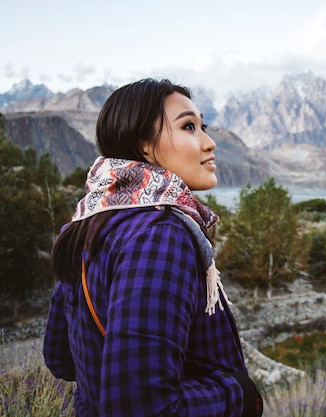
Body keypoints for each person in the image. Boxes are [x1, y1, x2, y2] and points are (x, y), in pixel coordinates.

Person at [43, 78, 263, 417]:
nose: (209, 142)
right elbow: (143, 408)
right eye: (189, 127)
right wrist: (241, 395)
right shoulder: (160, 235)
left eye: (203, 126)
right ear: (145, 145)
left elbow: (60, 359)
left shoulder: (88, 224)